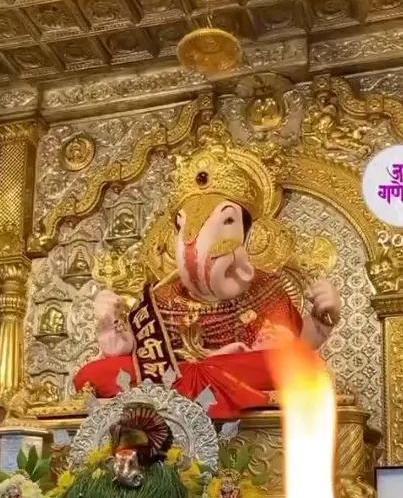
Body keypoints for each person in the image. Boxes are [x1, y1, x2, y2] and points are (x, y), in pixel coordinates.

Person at [75, 143, 340, 417]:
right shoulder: (158, 297)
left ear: (247, 236)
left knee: (303, 364)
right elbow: (128, 351)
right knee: (92, 374)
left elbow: (292, 344)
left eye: (227, 222)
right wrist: (108, 321)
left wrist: (322, 319)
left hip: (231, 372)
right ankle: (198, 385)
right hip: (169, 376)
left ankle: (200, 384)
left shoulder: (266, 287)